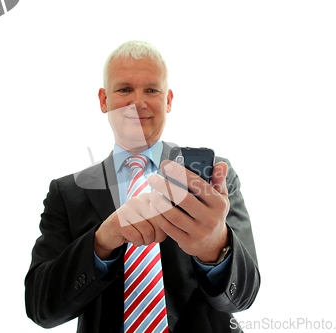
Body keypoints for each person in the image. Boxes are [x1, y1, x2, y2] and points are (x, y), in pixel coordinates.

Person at [25, 40, 260, 333]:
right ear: (103, 100)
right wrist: (101, 242)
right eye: (124, 89)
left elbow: (244, 296)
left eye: (152, 90)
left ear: (168, 100)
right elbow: (40, 307)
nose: (138, 102)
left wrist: (215, 248)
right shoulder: (67, 193)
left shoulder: (211, 180)